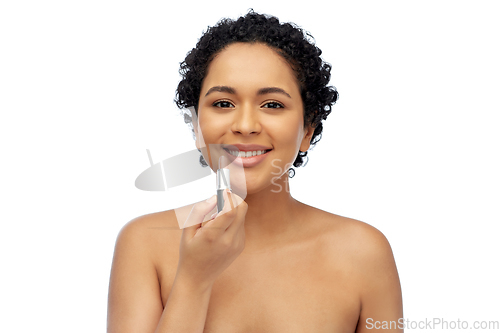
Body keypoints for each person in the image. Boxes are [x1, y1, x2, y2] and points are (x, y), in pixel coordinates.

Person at [107, 10, 403, 333]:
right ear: (195, 126)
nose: (245, 126)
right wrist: (193, 280)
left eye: (272, 105)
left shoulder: (364, 254)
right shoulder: (143, 245)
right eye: (223, 103)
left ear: (308, 128)